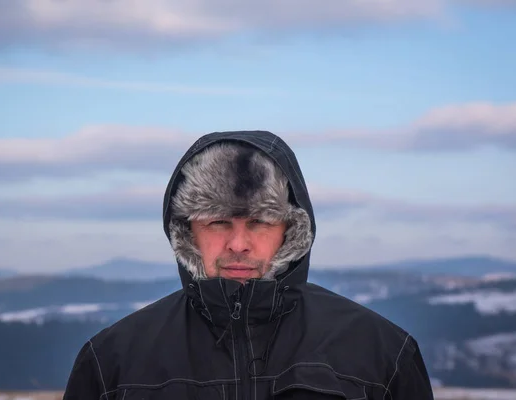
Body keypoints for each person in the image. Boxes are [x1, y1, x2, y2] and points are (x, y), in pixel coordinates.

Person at [63, 130, 435, 399]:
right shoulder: (114, 360)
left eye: (260, 222)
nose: (238, 244)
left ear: (291, 230)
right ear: (187, 231)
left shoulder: (380, 350)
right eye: (218, 222)